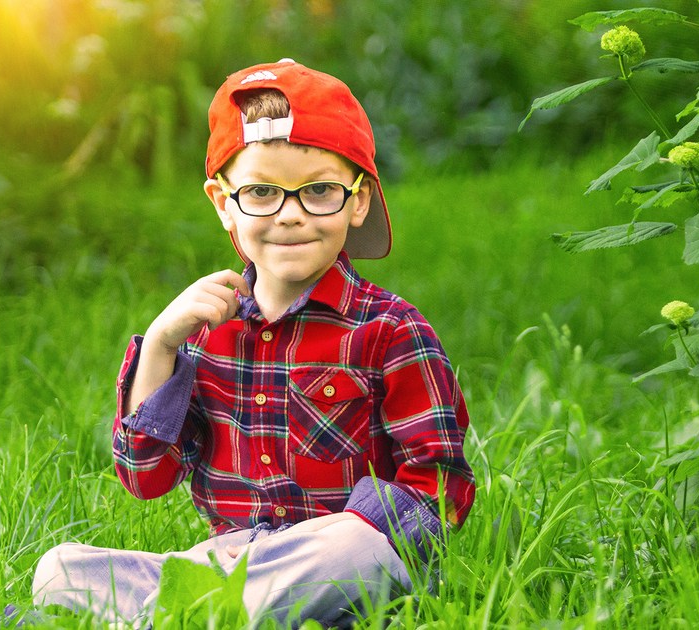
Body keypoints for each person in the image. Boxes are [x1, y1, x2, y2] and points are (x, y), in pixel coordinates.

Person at [27, 59, 476, 627]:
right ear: (222, 202)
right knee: (59, 570)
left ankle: (172, 618)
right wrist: (162, 345)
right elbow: (145, 478)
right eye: (261, 192)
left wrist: (352, 528)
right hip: (233, 559)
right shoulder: (207, 332)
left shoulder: (389, 330)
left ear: (357, 201)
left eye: (319, 191)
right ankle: (205, 612)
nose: (290, 215)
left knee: (354, 552)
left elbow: (441, 487)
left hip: (347, 556)